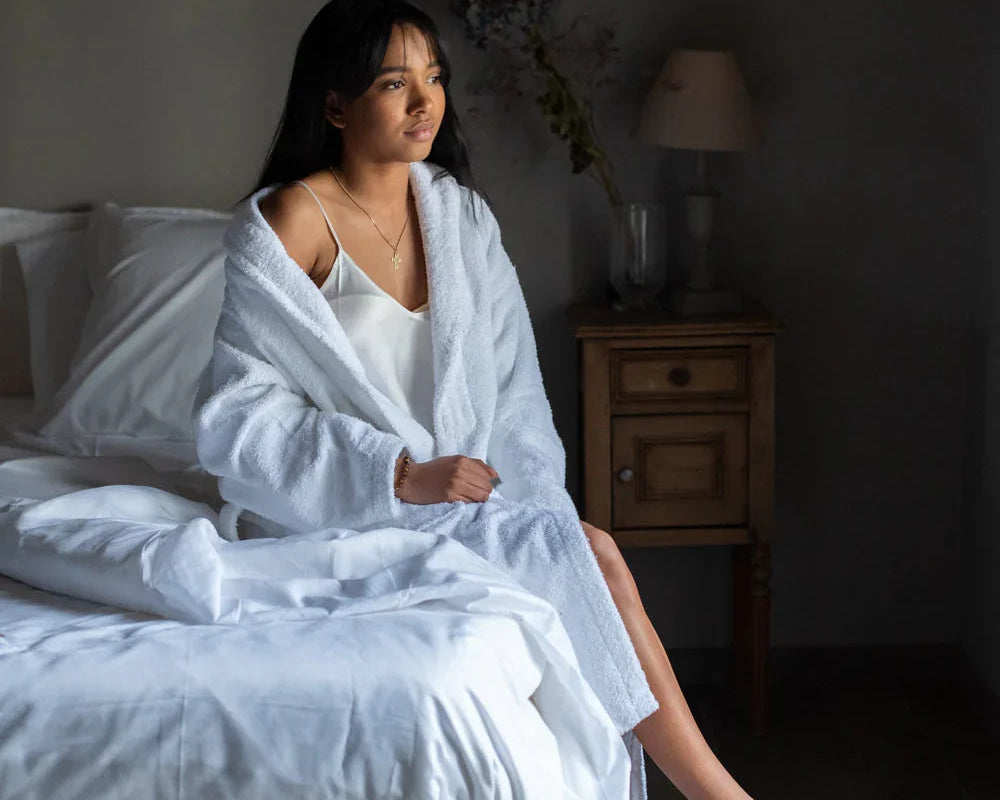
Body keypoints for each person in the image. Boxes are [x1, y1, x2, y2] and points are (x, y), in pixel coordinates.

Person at [244, 2, 756, 798]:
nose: (426, 102)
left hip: (469, 501)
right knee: (594, 555)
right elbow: (244, 420)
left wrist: (529, 507)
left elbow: (516, 397)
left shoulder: (461, 219)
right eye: (394, 83)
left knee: (581, 547)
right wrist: (396, 472)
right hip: (347, 508)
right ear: (336, 104)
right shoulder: (293, 220)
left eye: (435, 77)